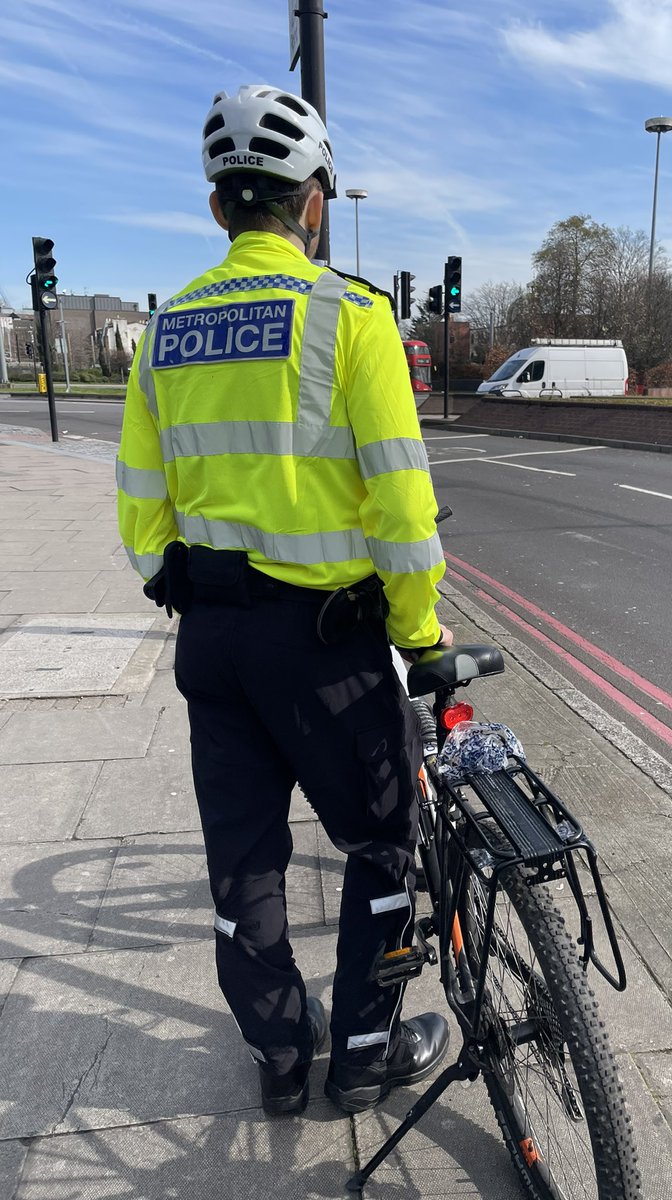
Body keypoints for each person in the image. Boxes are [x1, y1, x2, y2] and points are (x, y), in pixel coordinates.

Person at [116, 84, 452, 1118]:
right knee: (382, 844)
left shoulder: (166, 330)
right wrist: (422, 636)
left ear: (219, 207)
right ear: (313, 203)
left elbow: (139, 502)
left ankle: (277, 1054)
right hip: (326, 649)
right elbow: (402, 506)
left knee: (245, 862)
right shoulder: (350, 317)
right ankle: (360, 1059)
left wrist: (174, 577)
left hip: (214, 644)